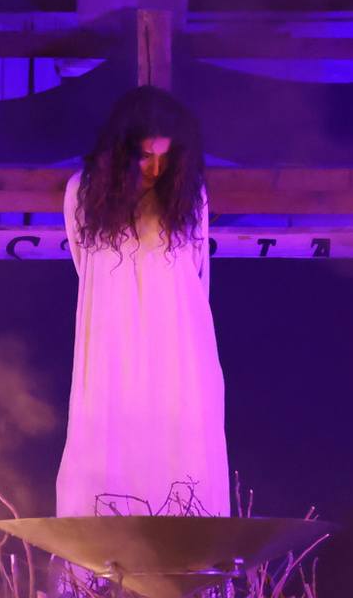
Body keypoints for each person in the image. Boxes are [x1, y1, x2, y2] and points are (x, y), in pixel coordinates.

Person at [56, 85, 229, 517]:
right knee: (111, 437)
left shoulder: (189, 197)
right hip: (112, 333)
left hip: (175, 336)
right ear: (122, 151)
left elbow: (197, 271)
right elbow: (83, 265)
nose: (156, 168)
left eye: (166, 157)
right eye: (146, 156)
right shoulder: (82, 193)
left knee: (179, 435)